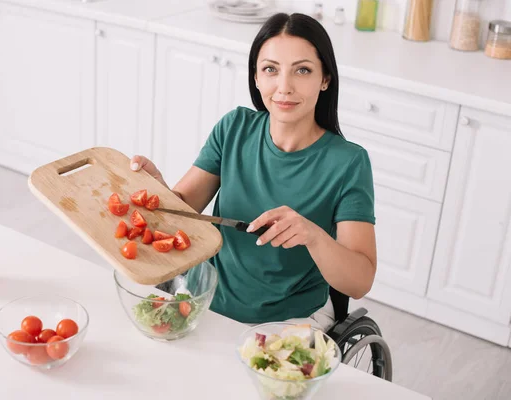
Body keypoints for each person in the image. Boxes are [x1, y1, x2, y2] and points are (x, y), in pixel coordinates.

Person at [129, 13, 377, 331]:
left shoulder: (349, 163)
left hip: (289, 320)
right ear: (256, 77)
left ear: (325, 79)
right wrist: (158, 190)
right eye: (270, 69)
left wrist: (313, 236)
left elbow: (359, 282)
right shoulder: (234, 127)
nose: (284, 87)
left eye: (302, 70)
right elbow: (182, 212)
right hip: (203, 298)